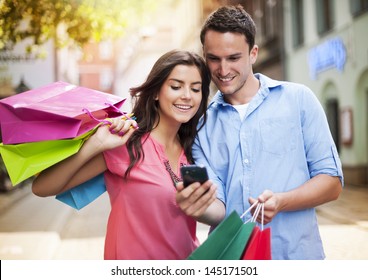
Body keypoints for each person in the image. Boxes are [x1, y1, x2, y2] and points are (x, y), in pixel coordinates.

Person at [177, 5, 344, 260]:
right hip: (233, 262)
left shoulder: (299, 100)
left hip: (295, 258)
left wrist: (282, 201)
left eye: (233, 58)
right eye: (214, 59)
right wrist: (197, 206)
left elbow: (332, 183)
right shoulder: (200, 124)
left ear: (253, 53)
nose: (223, 70)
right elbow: (218, 208)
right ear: (204, 55)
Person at [32, 50, 218, 260]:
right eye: (176, 86)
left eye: (196, 89)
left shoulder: (195, 150)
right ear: (156, 92)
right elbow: (42, 188)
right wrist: (97, 143)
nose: (187, 95)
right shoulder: (126, 143)